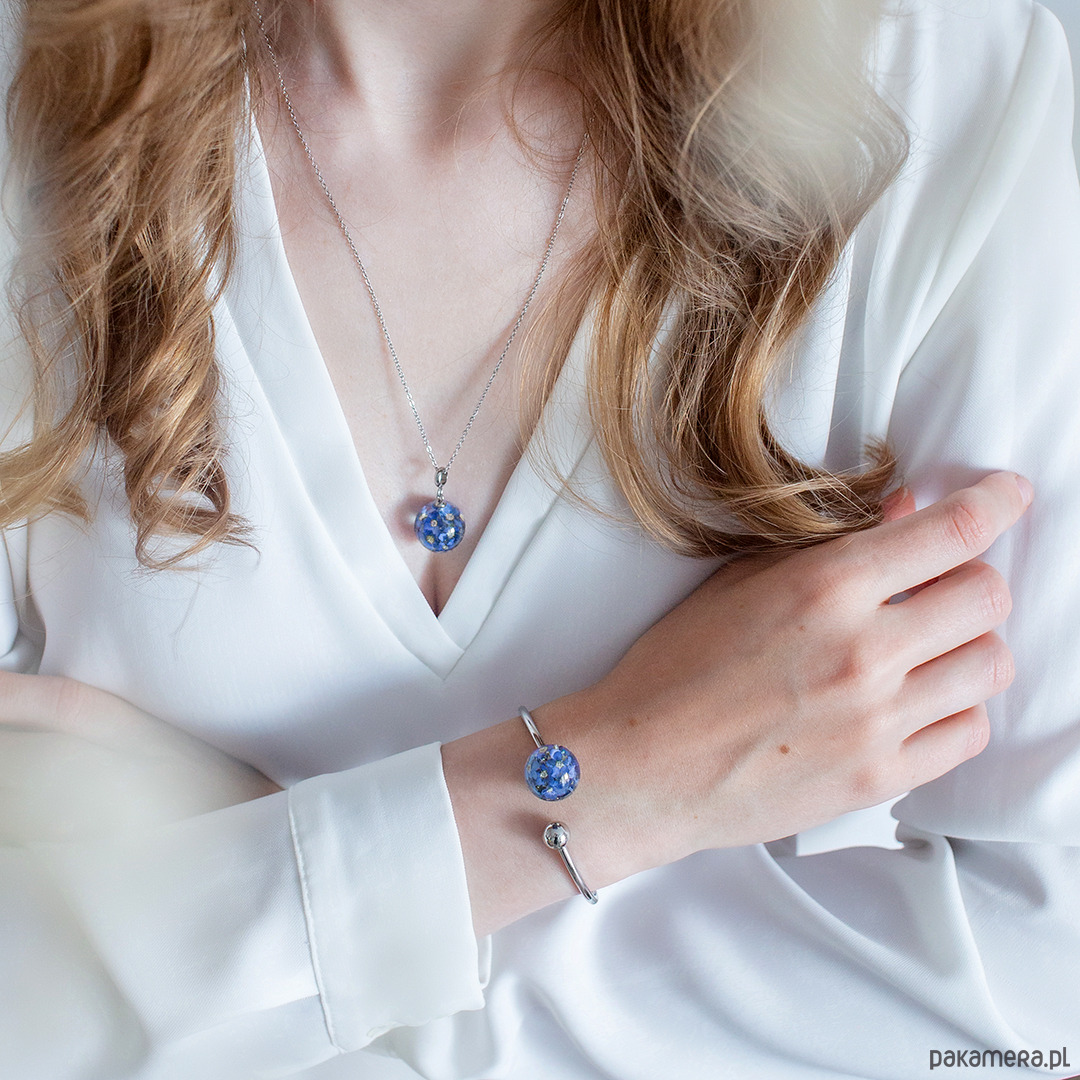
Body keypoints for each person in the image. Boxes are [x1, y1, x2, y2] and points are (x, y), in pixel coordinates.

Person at [1, 0, 1078, 1077]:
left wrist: (266, 898)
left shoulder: (939, 87)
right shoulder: (28, 95)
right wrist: (616, 783)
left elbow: (1041, 998)